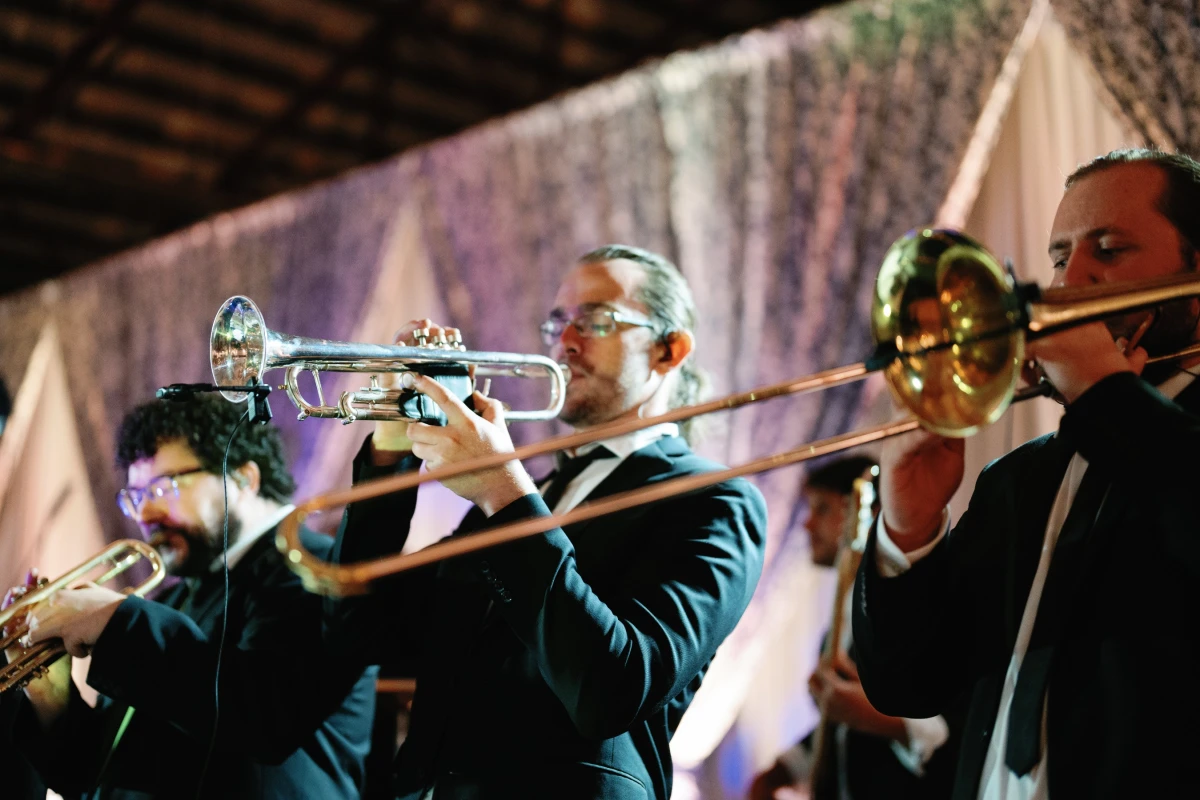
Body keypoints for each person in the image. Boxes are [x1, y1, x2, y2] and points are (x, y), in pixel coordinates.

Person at [326, 245, 768, 799]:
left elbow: (612, 689)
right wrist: (389, 450)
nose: (566, 342)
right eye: (557, 323)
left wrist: (503, 491)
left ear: (669, 350)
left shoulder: (715, 500)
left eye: (596, 320)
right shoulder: (530, 491)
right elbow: (359, 631)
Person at [852, 148, 1200, 799]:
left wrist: (1102, 390)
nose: (1071, 282)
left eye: (1111, 249)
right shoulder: (1017, 481)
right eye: (1062, 256)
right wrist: (910, 529)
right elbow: (911, 684)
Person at [2, 394, 378, 799]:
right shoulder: (175, 600)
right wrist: (50, 691)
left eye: (163, 487)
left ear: (242, 479)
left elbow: (264, 716)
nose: (144, 515)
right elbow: (101, 771)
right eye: (136, 498)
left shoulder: (310, 569)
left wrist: (115, 619)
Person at [749, 456, 957, 800]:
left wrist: (875, 716)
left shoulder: (915, 606)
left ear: (865, 511)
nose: (807, 525)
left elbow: (951, 729)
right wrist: (784, 768)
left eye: (823, 508)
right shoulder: (840, 616)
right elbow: (844, 731)